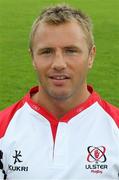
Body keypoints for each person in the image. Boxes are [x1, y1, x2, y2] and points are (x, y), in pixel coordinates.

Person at [0, 4, 119, 180]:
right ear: (33, 58)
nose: (59, 64)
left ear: (91, 56)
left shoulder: (115, 129)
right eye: (46, 52)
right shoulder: (4, 129)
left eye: (71, 51)